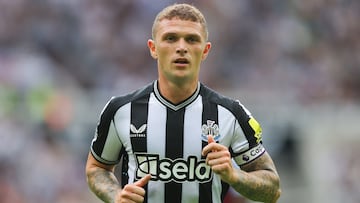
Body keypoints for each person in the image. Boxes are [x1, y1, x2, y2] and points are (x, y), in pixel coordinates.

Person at [85, 3, 281, 203]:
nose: (181, 47)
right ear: (153, 48)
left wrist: (233, 175)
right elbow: (97, 168)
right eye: (170, 38)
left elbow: (273, 190)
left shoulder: (230, 114)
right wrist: (116, 196)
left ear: (205, 50)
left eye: (192, 39)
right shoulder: (121, 110)